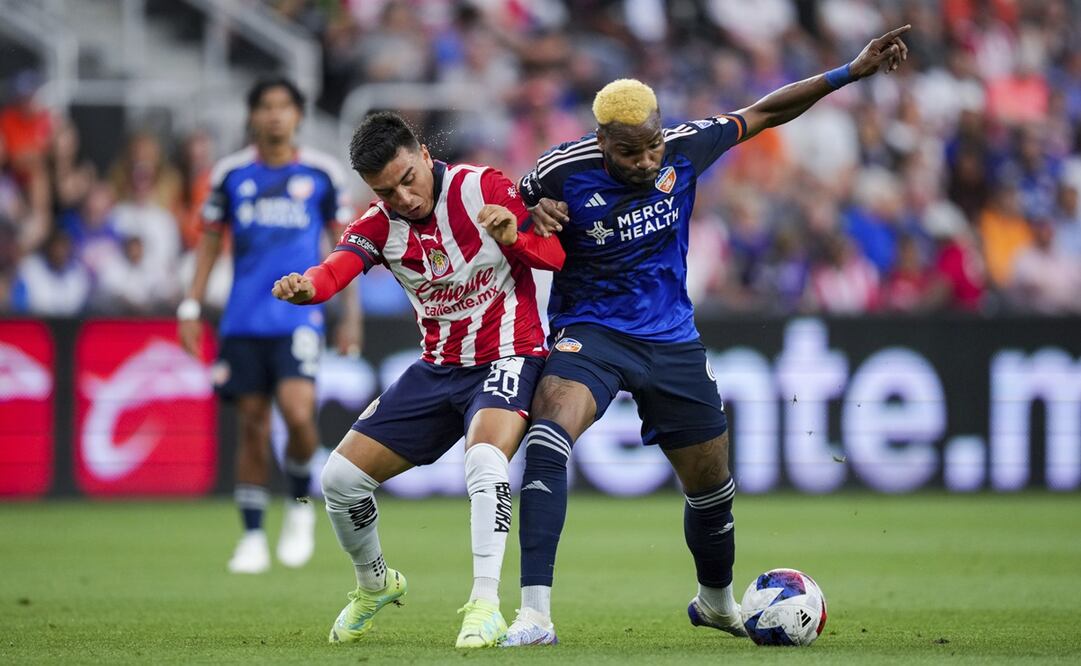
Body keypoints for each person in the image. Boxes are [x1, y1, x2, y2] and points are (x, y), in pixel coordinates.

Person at [504, 26, 912, 645]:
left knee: (711, 483)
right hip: (592, 329)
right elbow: (503, 211)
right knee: (548, 430)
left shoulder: (687, 146)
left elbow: (766, 110)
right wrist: (529, 215)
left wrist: (849, 73)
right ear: (602, 142)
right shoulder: (561, 170)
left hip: (671, 338)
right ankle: (534, 615)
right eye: (630, 153)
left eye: (652, 148)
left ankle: (717, 601)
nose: (646, 162)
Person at [271, 111, 563, 647]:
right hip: (438, 369)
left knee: (484, 460)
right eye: (386, 190)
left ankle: (484, 605)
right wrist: (307, 288)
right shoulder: (378, 225)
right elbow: (335, 268)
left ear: (425, 155)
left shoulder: (481, 187)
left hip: (508, 354)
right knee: (339, 481)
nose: (403, 197)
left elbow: (554, 255)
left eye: (409, 178)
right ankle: (375, 584)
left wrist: (514, 238)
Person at [178, 77, 360, 574]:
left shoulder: (320, 174)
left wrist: (350, 317)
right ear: (253, 116)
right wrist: (191, 307)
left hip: (299, 317)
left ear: (298, 116)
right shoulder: (231, 174)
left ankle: (299, 508)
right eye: (266, 107)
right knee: (253, 429)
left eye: (284, 107)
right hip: (242, 319)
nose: (276, 115)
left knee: (299, 416)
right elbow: (210, 242)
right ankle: (253, 538)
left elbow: (348, 249)